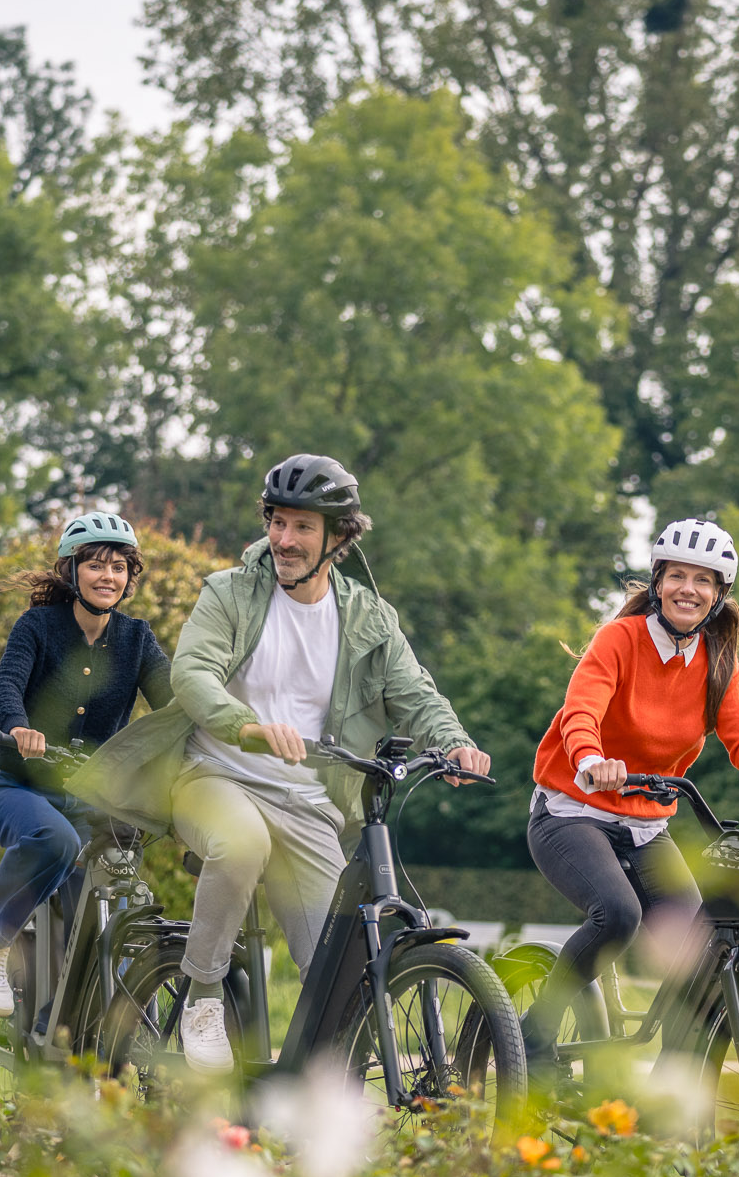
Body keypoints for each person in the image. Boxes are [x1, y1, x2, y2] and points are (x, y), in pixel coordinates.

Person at [74, 455, 489, 1074]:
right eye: (277, 522)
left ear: (338, 538)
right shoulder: (231, 592)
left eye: (302, 527)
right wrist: (244, 726)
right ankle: (204, 997)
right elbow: (191, 673)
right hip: (215, 774)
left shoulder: (369, 619)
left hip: (307, 803)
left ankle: (306, 1101)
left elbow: (415, 694)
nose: (284, 540)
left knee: (338, 968)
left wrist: (453, 740)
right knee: (240, 846)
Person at [522, 517, 739, 1091]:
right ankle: (535, 1037)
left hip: (646, 827)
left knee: (698, 948)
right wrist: (591, 759)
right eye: (677, 576)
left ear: (719, 596)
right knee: (618, 916)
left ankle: (669, 1096)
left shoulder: (718, 664)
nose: (687, 589)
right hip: (573, 810)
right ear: (658, 581)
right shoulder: (619, 640)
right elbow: (582, 707)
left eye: (703, 580)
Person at [0, 513, 172, 1014]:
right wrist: (19, 728)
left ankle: (81, 1030)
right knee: (56, 841)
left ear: (130, 578)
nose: (108, 577)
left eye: (119, 567)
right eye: (95, 565)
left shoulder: (136, 639)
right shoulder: (38, 626)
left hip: (93, 801)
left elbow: (172, 702)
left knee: (108, 907)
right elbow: (6, 685)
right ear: (70, 571)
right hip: (21, 790)